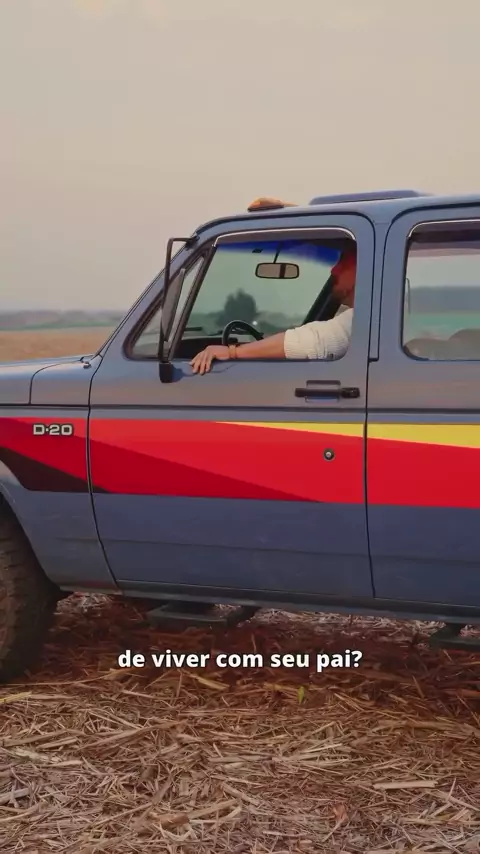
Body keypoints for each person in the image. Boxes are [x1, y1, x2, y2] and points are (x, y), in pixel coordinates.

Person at [190, 197, 357, 375]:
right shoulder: (370, 317)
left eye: (344, 262)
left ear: (364, 267)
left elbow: (313, 343)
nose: (334, 269)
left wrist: (232, 352)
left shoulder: (364, 318)